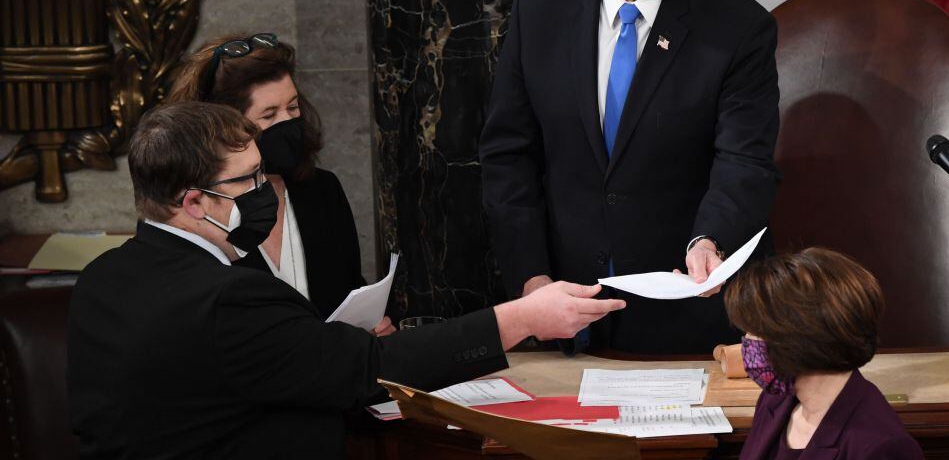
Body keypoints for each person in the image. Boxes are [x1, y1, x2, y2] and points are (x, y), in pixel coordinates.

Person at [67, 102, 624, 459]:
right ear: (194, 202)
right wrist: (522, 318)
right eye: (249, 179)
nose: (266, 189)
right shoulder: (230, 297)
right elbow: (369, 369)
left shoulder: (100, 278)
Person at [479, 0, 779, 354]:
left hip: (690, 314)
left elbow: (745, 160)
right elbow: (508, 155)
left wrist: (710, 240)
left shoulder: (738, 27)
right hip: (566, 311)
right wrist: (531, 280)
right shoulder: (540, 11)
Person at [166, 33, 392, 334]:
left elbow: (349, 288)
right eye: (269, 114)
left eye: (293, 107)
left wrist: (370, 329)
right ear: (226, 128)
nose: (287, 123)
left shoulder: (322, 189)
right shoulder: (201, 211)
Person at [724, 248, 923, 459]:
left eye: (756, 331)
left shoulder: (882, 447)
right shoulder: (774, 401)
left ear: (800, 338)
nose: (747, 341)